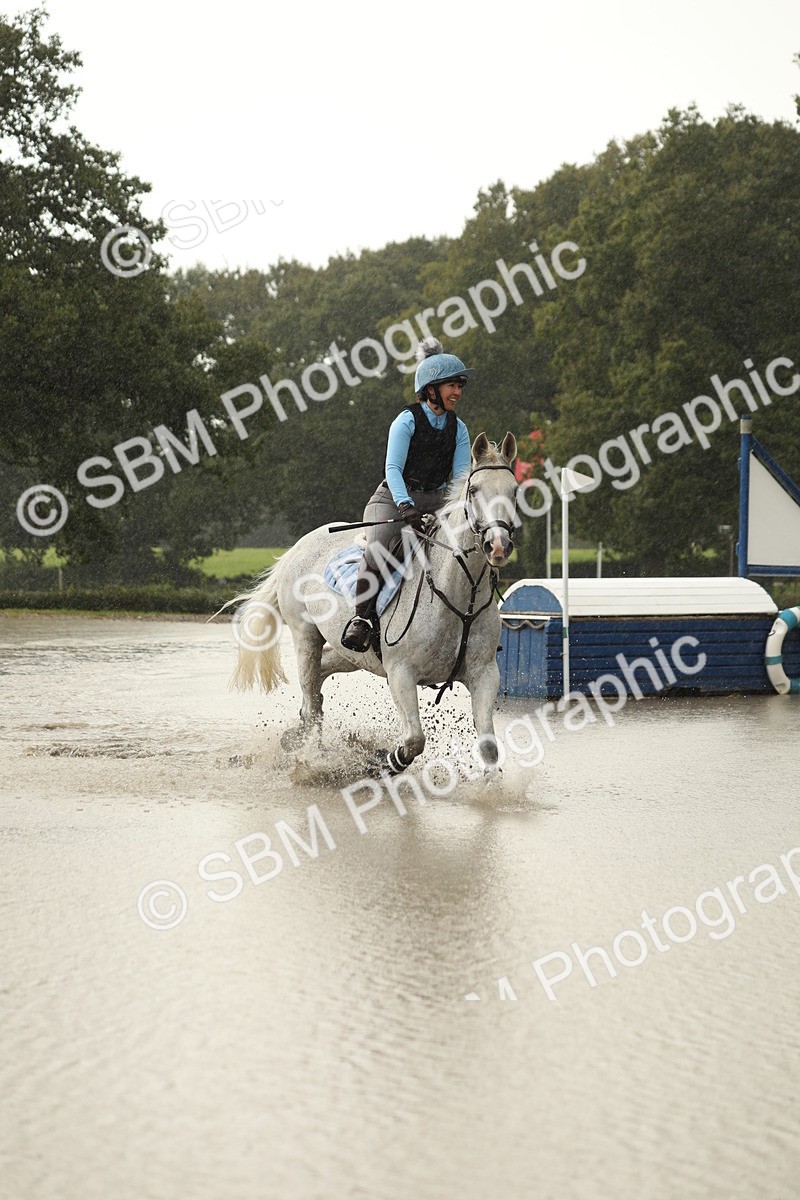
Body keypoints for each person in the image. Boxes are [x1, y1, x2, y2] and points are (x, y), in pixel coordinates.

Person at [340, 336, 475, 652]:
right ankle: (362, 619)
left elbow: (458, 480)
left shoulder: (460, 429)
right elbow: (392, 470)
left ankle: (470, 622)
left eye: (460, 386)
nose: (457, 392)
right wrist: (406, 507)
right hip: (392, 497)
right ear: (431, 390)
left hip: (436, 500)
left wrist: (450, 512)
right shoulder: (406, 420)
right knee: (380, 551)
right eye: (451, 386)